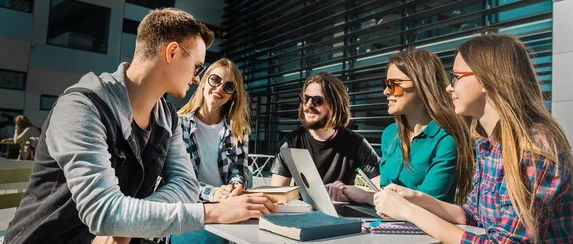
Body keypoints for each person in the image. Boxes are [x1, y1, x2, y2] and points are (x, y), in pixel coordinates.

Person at [4, 8, 276, 244]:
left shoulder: (167, 119)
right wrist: (213, 212)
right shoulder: (81, 107)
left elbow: (186, 186)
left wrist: (126, 222)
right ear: (171, 52)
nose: (197, 79)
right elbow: (102, 212)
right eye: (196, 67)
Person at [374, 34, 573, 243]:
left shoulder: (535, 146)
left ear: (486, 79)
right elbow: (472, 215)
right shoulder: (488, 145)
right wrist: (416, 198)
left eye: (457, 77)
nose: (448, 87)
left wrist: (408, 211)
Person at [326, 49, 473, 206]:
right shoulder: (390, 134)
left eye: (393, 84)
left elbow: (428, 202)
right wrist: (349, 195)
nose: (385, 91)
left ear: (421, 85)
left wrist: (366, 197)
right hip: (385, 223)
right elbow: (385, 193)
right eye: (385, 84)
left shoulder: (445, 140)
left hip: (422, 229)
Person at [172, 58, 251, 243]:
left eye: (228, 86)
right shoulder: (177, 123)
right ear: (204, 80)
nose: (219, 89)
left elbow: (239, 170)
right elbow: (178, 179)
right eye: (215, 80)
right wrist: (213, 193)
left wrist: (235, 187)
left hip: (224, 217)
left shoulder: (239, 129)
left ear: (233, 95)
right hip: (189, 215)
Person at [269, 72, 380, 187]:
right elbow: (278, 195)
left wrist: (352, 193)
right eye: (306, 98)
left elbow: (383, 191)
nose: (308, 105)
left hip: (342, 205)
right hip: (303, 205)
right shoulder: (291, 142)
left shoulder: (356, 143)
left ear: (335, 104)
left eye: (317, 100)